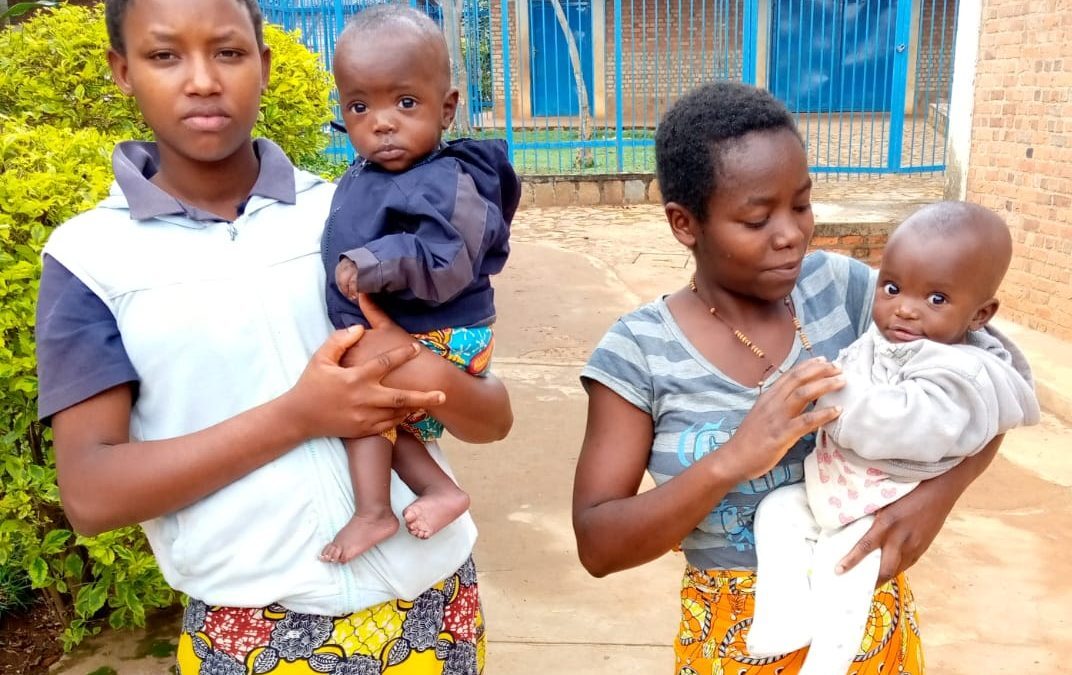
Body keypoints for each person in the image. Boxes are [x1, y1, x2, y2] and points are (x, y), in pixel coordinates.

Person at [35, 0, 511, 673]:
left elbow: (493, 416)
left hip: (435, 606)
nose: (201, 80)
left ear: (264, 65)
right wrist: (298, 416)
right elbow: (91, 494)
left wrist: (428, 376)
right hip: (252, 634)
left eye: (228, 52)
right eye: (165, 55)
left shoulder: (356, 210)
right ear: (121, 70)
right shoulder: (91, 258)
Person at [572, 81, 1008, 675]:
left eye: (801, 204)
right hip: (733, 647)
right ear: (683, 223)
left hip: (867, 636)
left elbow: (990, 383)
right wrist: (733, 458)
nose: (792, 234)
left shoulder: (855, 294)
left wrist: (940, 495)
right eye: (757, 218)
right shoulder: (640, 351)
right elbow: (598, 543)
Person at [746, 202, 1040, 674]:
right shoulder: (893, 335)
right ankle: (782, 618)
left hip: (884, 495)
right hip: (841, 482)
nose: (904, 307)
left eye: (937, 299)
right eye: (892, 287)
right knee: (777, 512)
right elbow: (858, 361)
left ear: (980, 314)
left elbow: (907, 422)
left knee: (843, 568)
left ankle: (828, 661)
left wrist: (828, 393)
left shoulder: (962, 370)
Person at [319, 5, 519, 564]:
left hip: (446, 334)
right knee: (367, 412)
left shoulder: (445, 179)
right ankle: (439, 490)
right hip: (413, 334)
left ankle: (373, 511)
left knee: (359, 401)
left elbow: (448, 259)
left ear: (448, 107)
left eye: (405, 103)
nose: (382, 122)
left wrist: (377, 263)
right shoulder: (371, 176)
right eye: (360, 106)